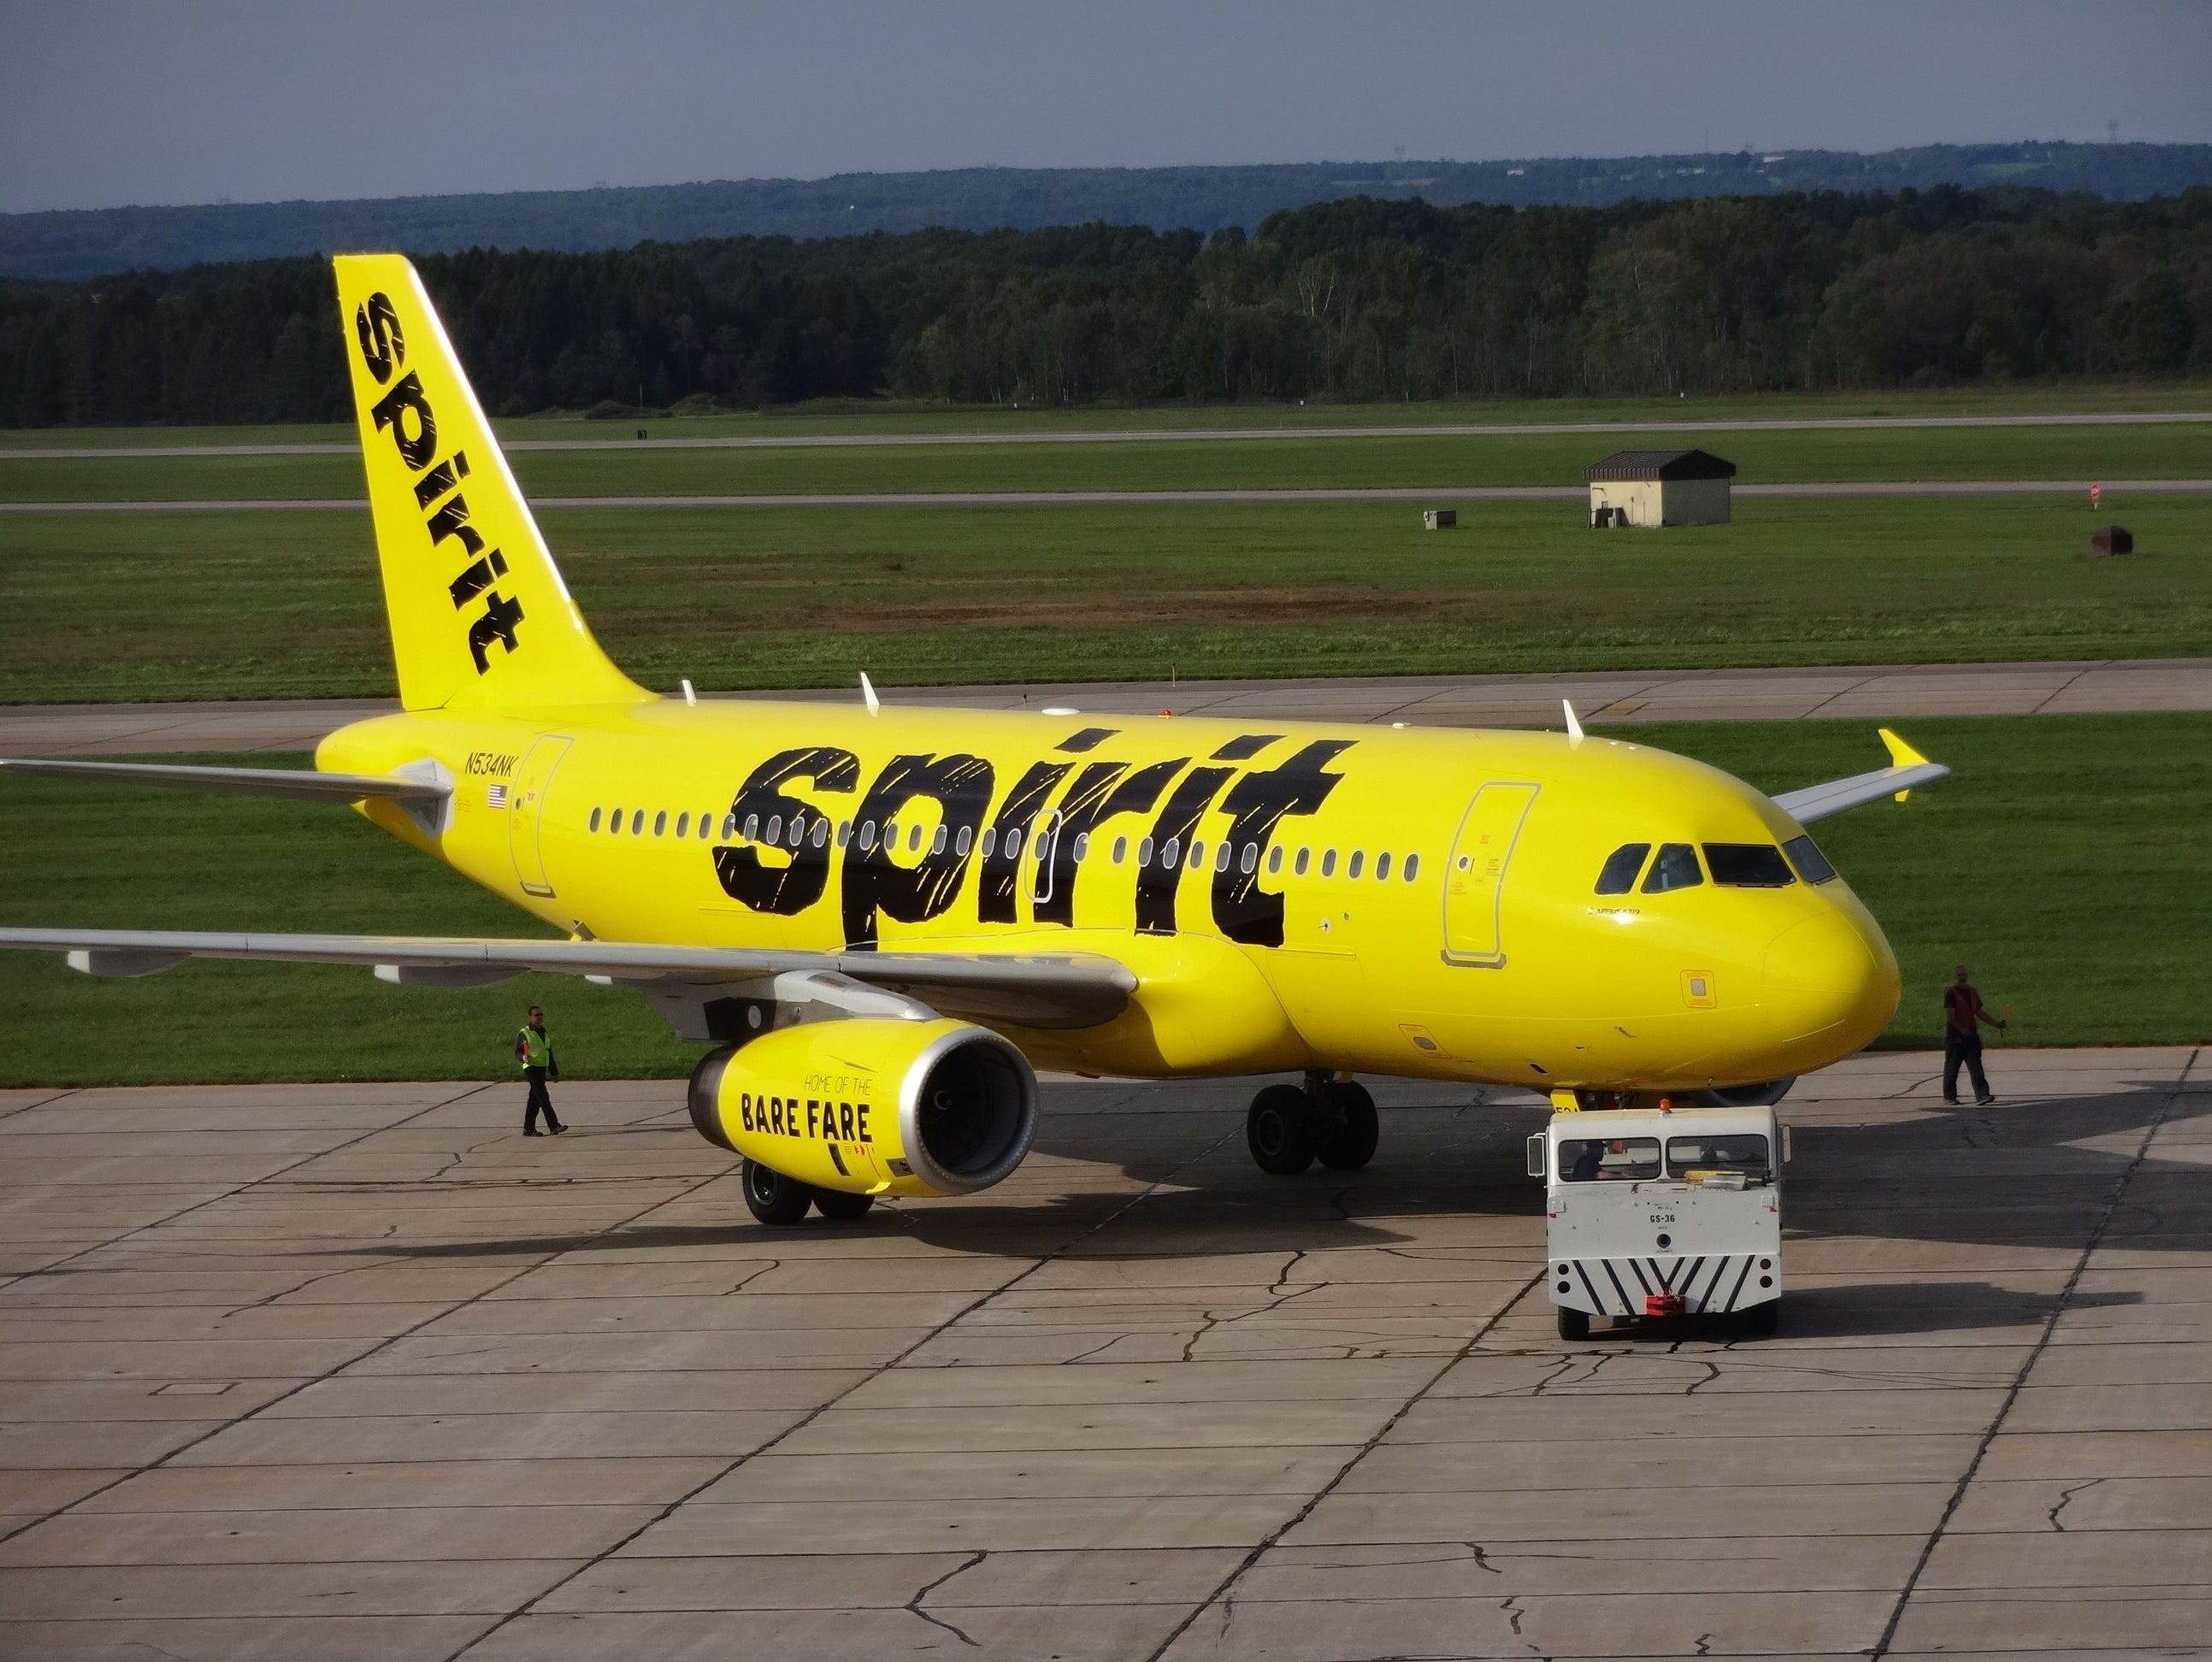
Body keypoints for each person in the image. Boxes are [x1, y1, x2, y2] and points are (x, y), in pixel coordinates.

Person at [1942, 964, 2006, 1106]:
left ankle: (1983, 1095)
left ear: (1967, 975)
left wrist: (1995, 1024)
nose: (1962, 977)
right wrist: (1961, 1029)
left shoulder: (1972, 992)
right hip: (1955, 1038)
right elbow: (1950, 1016)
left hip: (1971, 1035)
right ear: (1955, 977)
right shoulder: (1951, 993)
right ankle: (1949, 1096)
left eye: (1964, 974)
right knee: (1952, 1067)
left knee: (1976, 1066)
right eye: (1959, 975)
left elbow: (1979, 1012)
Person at [516, 1005, 567, 1135]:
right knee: (543, 1097)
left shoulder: (544, 1032)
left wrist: (554, 1072)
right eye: (536, 1015)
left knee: (534, 1099)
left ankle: (529, 1128)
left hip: (541, 1068)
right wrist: (523, 1057)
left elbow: (548, 1053)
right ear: (530, 1017)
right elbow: (518, 1051)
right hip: (531, 1068)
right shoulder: (525, 1033)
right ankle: (554, 1126)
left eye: (540, 1014)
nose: (539, 1017)